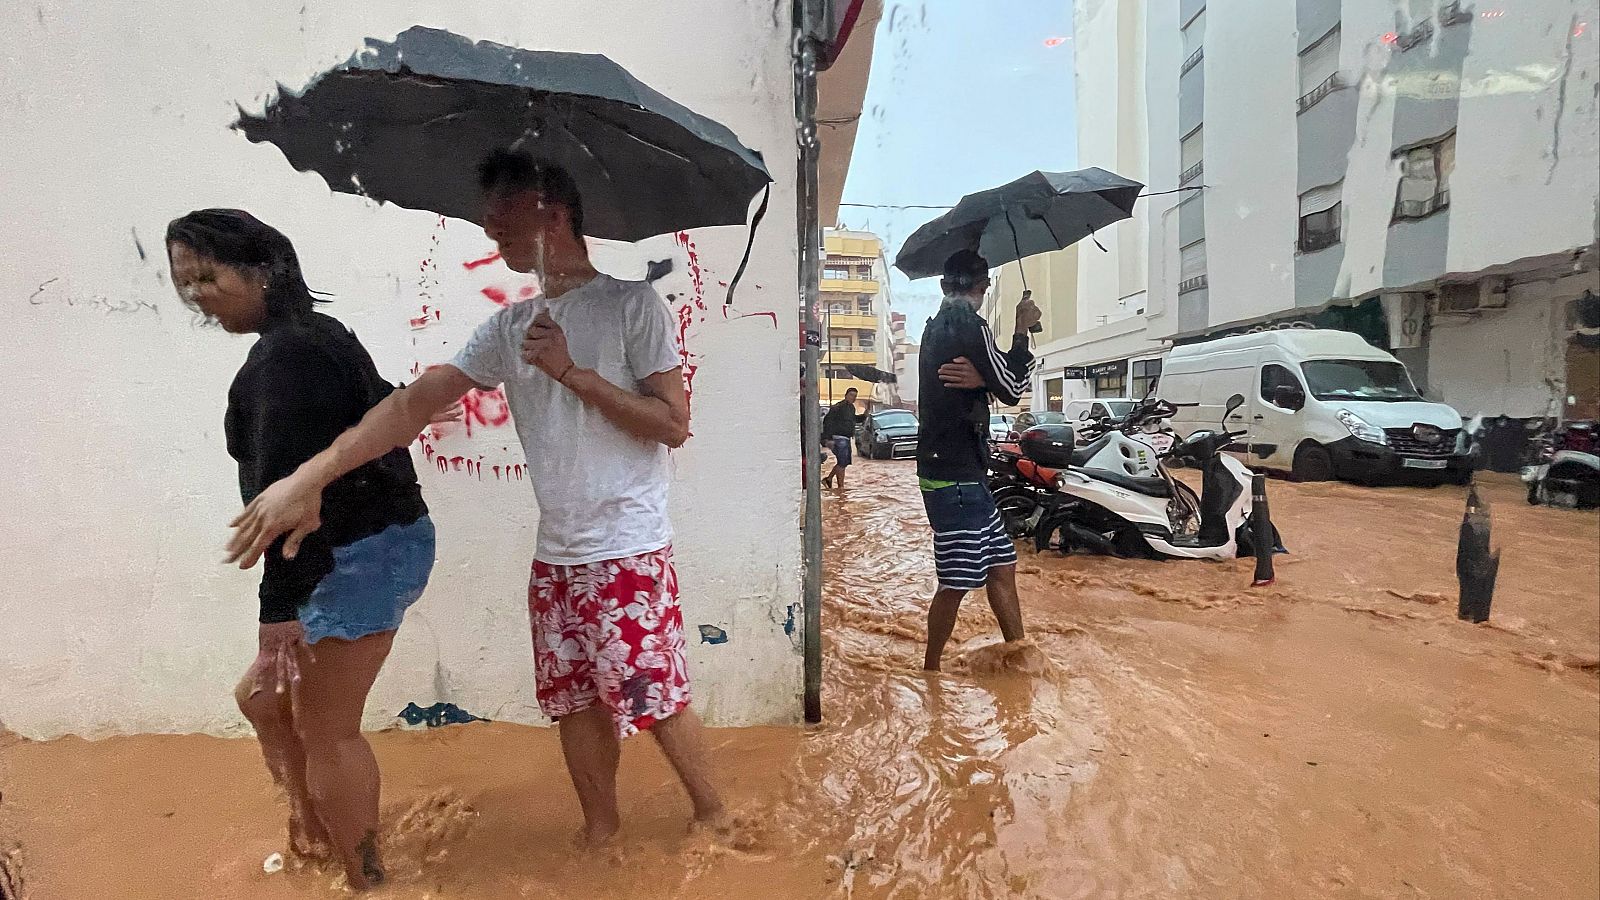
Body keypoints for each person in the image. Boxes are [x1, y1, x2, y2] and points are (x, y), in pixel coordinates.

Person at [223, 150, 725, 847]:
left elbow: (672, 424)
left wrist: (571, 372)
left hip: (629, 548)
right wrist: (310, 476)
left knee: (655, 696)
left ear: (552, 212)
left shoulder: (632, 306)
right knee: (575, 702)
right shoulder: (509, 328)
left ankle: (715, 815)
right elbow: (412, 404)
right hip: (558, 556)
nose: (489, 226)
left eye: (502, 210)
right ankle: (601, 836)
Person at [167, 209, 439, 889]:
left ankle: (366, 879)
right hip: (384, 541)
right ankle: (315, 823)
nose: (197, 296)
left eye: (208, 277)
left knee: (329, 733)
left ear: (263, 270)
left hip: (356, 554)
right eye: (184, 282)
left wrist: (278, 613)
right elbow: (383, 409)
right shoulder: (318, 335)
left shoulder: (284, 359)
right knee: (262, 700)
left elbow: (285, 510)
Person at [916, 249, 1039, 671]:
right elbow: (1014, 387)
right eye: (984, 285)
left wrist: (982, 380)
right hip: (955, 477)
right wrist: (1021, 330)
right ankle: (930, 672)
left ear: (942, 284)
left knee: (1003, 566)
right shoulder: (972, 325)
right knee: (956, 581)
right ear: (984, 287)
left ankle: (1020, 655)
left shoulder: (934, 328)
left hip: (959, 472)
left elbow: (989, 382)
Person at [820, 388, 861, 490]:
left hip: (846, 438)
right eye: (851, 395)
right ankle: (841, 488)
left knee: (843, 462)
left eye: (855, 396)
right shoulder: (838, 407)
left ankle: (829, 479)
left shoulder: (851, 408)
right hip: (838, 438)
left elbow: (853, 419)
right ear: (846, 395)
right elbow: (827, 422)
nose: (853, 398)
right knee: (842, 462)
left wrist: (864, 416)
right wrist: (828, 439)